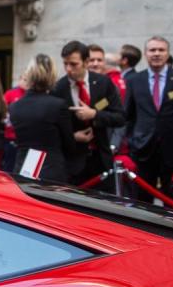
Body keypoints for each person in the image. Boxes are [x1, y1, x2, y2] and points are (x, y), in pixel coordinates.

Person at [53, 40, 125, 185]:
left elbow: (120, 118)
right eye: (65, 64)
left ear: (86, 62)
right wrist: (73, 137)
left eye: (73, 64)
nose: (68, 69)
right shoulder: (58, 88)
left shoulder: (104, 83)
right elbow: (53, 127)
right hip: (72, 163)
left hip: (101, 160)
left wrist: (94, 114)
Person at [126, 36, 173, 198]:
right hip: (143, 148)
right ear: (146, 54)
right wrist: (132, 140)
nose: (157, 54)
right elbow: (128, 115)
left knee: (172, 199)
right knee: (143, 197)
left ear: (168, 54)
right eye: (152, 50)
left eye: (161, 50)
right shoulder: (134, 80)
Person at [9, 54, 76, 183]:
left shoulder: (14, 107)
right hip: (51, 171)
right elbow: (69, 145)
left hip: (23, 169)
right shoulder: (58, 105)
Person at [2, 74, 27, 172]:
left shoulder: (30, 94)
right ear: (20, 79)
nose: (26, 82)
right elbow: (3, 111)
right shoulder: (10, 93)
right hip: (11, 137)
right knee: (10, 165)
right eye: (24, 79)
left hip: (26, 138)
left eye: (28, 80)